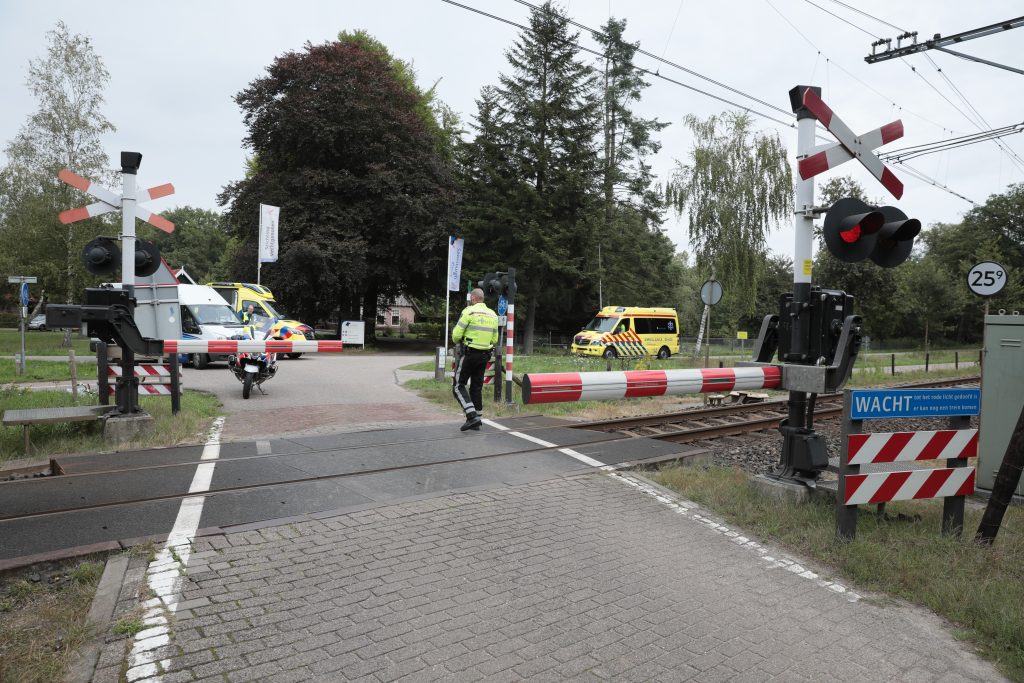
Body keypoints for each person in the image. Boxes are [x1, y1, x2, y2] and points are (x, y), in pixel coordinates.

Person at [452, 288, 499, 431]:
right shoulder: (493, 314)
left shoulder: (469, 312)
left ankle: (472, 416)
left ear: (473, 298)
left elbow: (456, 335)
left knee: (458, 386)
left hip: (469, 354)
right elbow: (494, 339)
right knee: (476, 387)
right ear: (482, 298)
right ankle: (477, 419)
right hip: (485, 355)